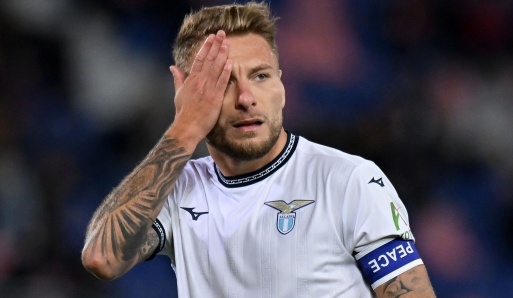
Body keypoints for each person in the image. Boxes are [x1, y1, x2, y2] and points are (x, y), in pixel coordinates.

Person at [82, 2, 436, 297]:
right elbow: (102, 259)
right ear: (188, 95)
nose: (246, 99)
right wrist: (184, 129)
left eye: (261, 76)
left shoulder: (347, 181)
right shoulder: (177, 191)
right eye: (224, 83)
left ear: (282, 86)